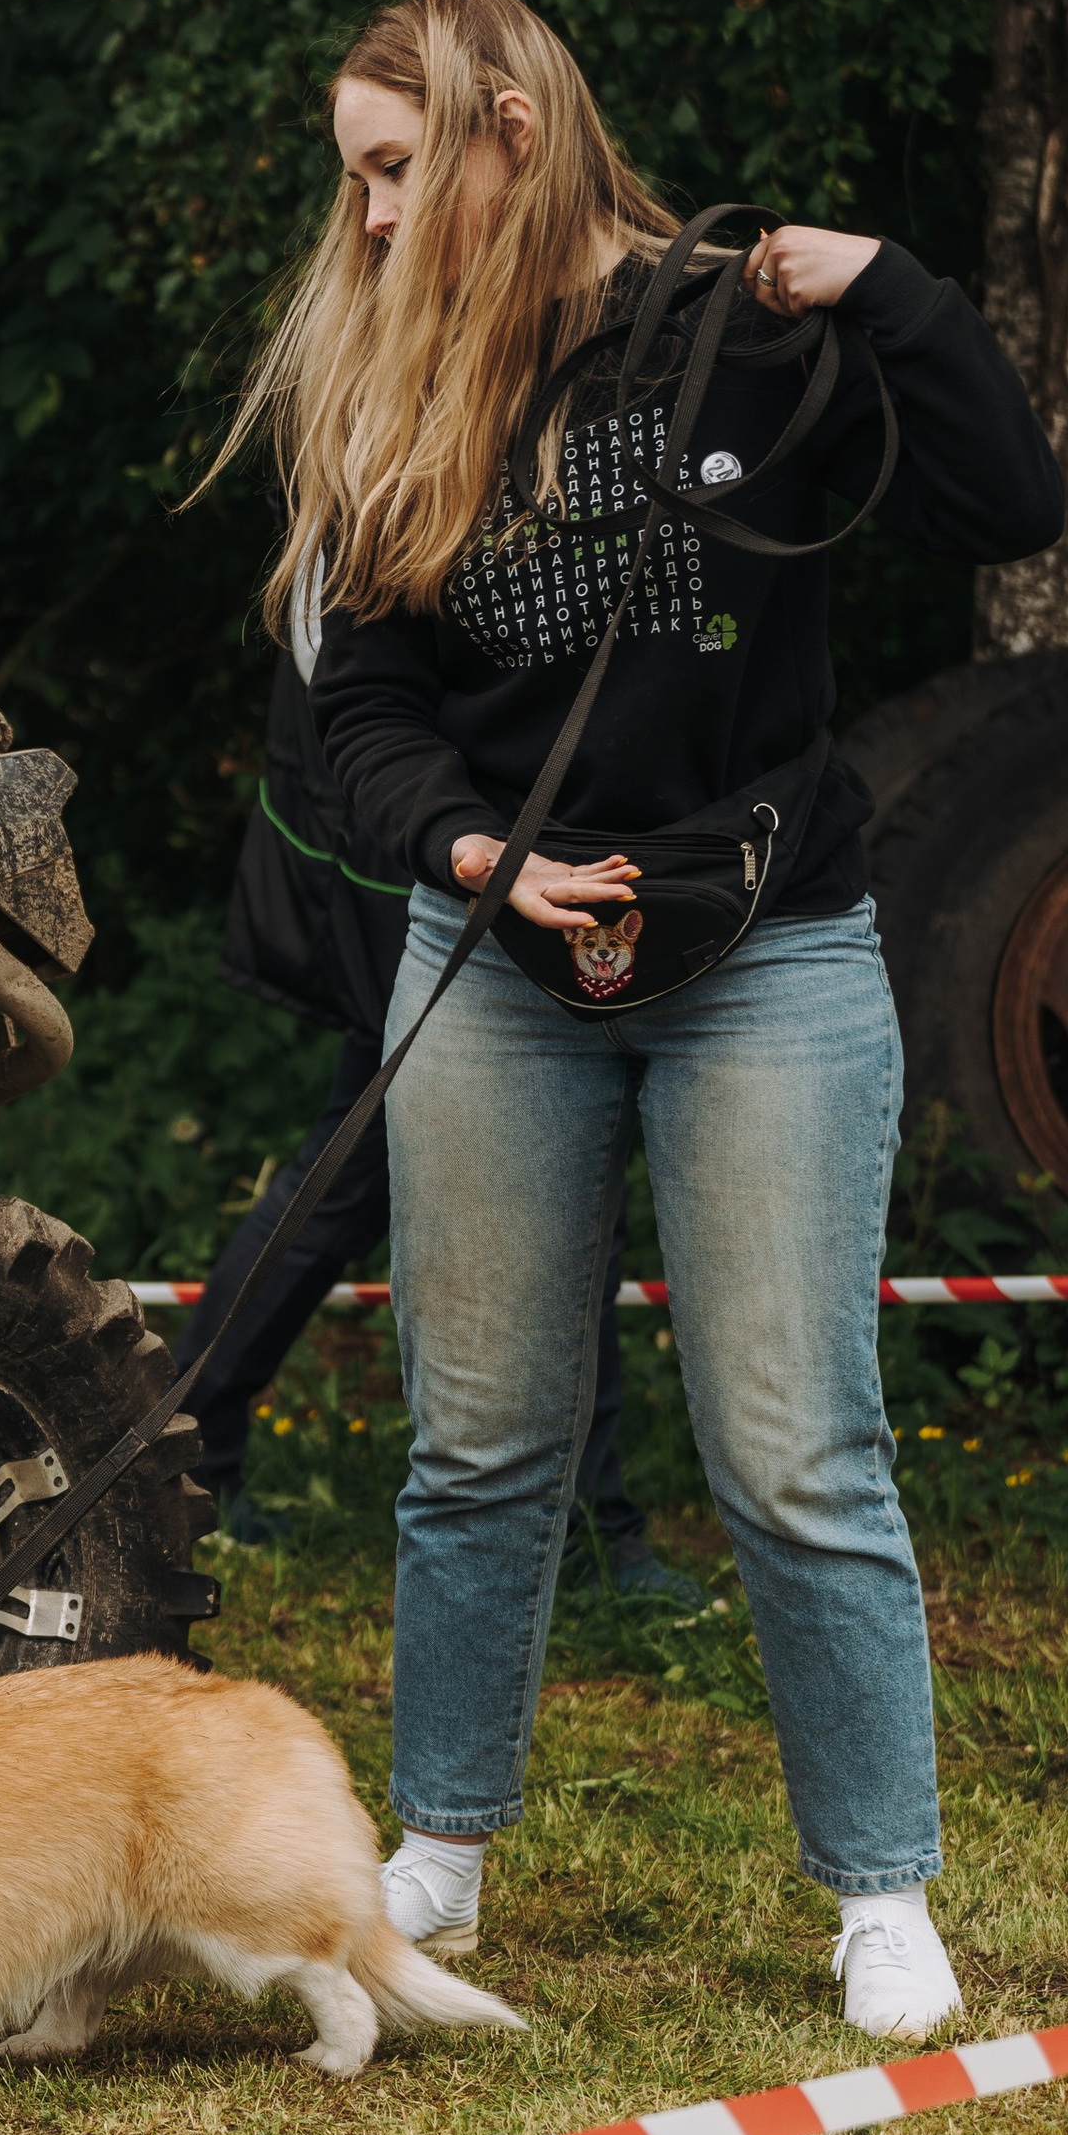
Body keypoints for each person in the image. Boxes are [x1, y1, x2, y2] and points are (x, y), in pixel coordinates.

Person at [209, 0, 1063, 2039]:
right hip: (492, 952)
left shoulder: (744, 332)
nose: (371, 219)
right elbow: (362, 709)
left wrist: (893, 291)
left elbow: (1008, 509)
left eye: (394, 168)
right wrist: (467, 853)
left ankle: (879, 1889)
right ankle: (438, 1846)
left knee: (793, 1447)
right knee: (477, 1443)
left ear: (511, 128)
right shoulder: (390, 373)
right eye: (354, 180)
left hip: (765, 948)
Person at [179, 652, 699, 1614]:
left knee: (365, 1174)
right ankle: (590, 1529)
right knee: (392, 1172)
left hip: (439, 852)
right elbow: (369, 694)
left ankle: (183, 1451)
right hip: (432, 867)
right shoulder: (382, 566)